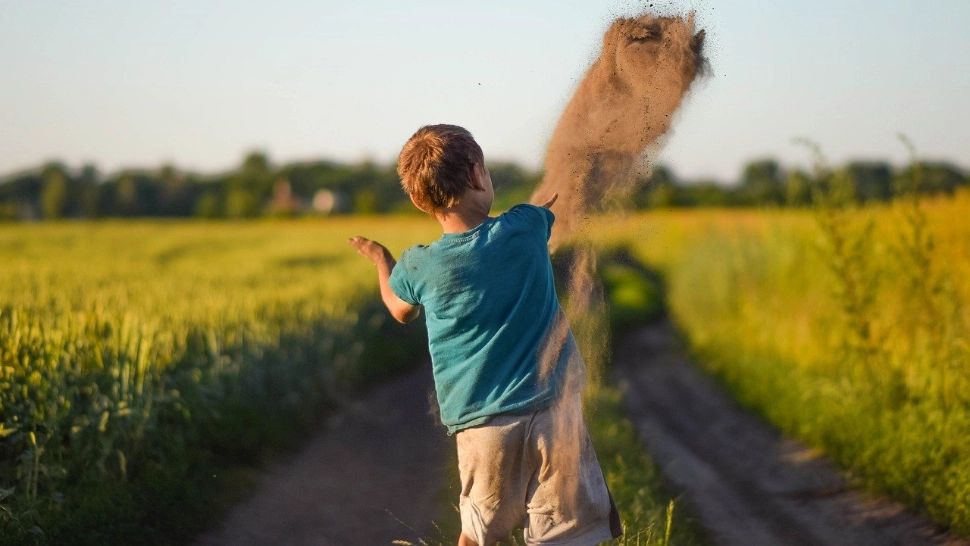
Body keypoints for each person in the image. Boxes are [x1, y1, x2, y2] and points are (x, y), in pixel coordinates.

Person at [348, 124, 620, 546]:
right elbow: (543, 212)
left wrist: (383, 261)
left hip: (482, 426)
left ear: (420, 201)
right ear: (477, 174)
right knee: (567, 533)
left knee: (478, 532)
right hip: (555, 412)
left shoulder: (418, 266)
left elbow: (399, 310)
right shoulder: (526, 225)